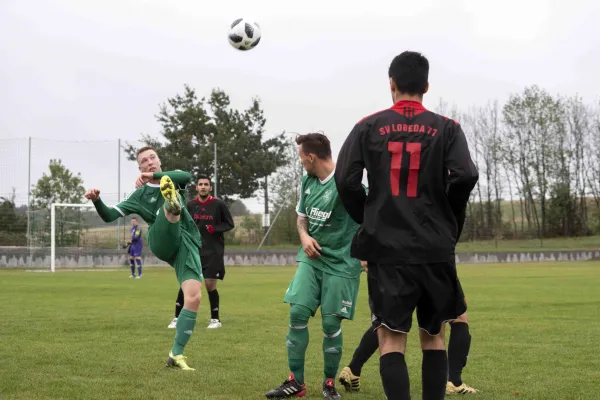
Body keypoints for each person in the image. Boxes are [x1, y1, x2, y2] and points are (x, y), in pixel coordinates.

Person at [334, 51, 479, 400]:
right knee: (433, 335)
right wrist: (449, 220)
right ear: (427, 86)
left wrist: (367, 218)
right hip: (434, 247)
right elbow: (466, 175)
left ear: (392, 85)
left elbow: (345, 180)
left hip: (387, 248)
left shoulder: (368, 126)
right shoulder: (447, 128)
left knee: (390, 337)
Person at [85, 146, 204, 371]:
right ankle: (171, 206)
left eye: (152, 158)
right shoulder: (138, 195)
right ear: (139, 168)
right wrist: (97, 201)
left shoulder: (172, 178)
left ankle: (176, 354)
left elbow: (186, 176)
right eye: (144, 161)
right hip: (161, 239)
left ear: (159, 161)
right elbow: (110, 215)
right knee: (169, 209)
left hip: (185, 245)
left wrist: (156, 177)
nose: (149, 162)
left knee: (194, 297)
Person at [265, 133, 364, 400]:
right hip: (312, 260)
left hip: (342, 265)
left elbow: (370, 219)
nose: (300, 163)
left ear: (311, 157)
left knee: (331, 325)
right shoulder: (308, 181)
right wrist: (305, 237)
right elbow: (301, 218)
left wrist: (367, 254)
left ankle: (329, 384)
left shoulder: (347, 183)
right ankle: (295, 382)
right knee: (297, 314)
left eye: (301, 157)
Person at [338, 293, 478, 395]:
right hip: (431, 264)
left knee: (388, 326)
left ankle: (353, 369)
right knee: (454, 320)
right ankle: (454, 381)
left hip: (394, 267)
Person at [168, 175, 234, 329]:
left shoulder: (219, 205)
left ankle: (215, 320)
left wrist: (215, 229)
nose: (203, 187)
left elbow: (229, 223)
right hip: (193, 250)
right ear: (196, 188)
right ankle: (177, 318)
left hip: (213, 251)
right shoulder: (190, 205)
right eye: (200, 184)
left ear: (210, 188)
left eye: (206, 184)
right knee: (187, 283)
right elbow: (182, 224)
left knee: (210, 284)